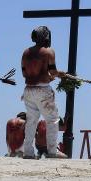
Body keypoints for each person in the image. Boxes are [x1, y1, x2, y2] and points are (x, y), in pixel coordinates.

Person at [21, 26, 68, 159]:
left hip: (28, 90)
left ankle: (28, 152)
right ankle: (53, 151)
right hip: (43, 90)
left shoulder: (26, 52)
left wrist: (46, 76)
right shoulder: (48, 52)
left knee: (31, 120)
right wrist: (60, 74)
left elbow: (24, 73)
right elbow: (53, 71)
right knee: (52, 120)